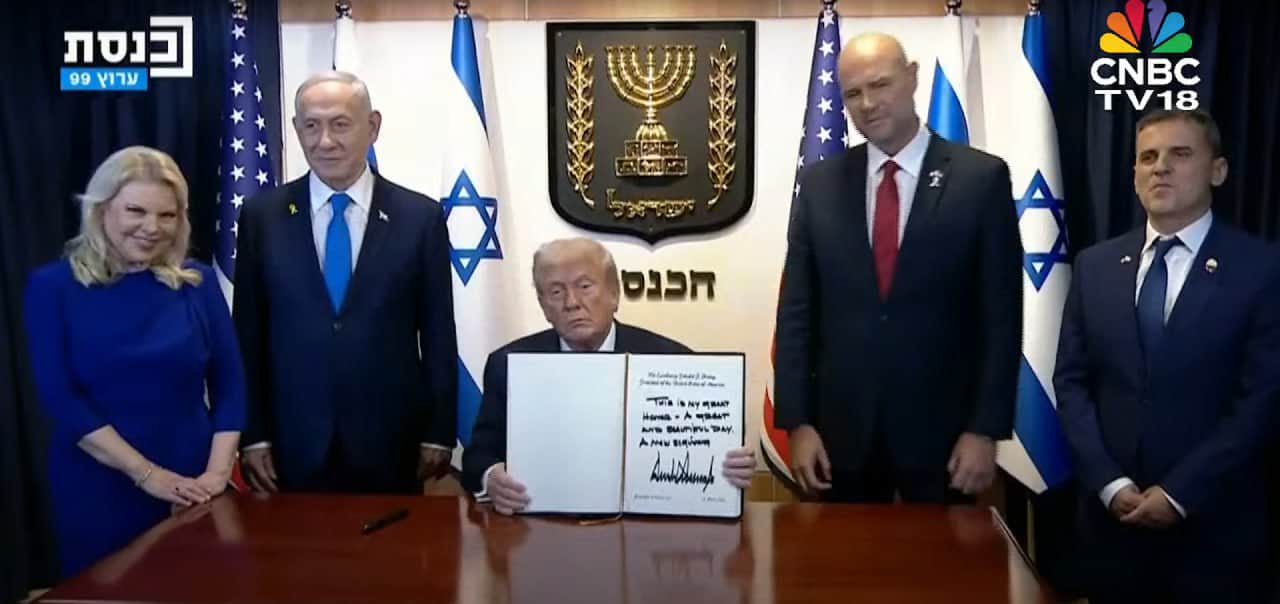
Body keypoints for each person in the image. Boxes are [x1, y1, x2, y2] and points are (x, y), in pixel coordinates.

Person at [773, 32, 1022, 503]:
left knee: (941, 554)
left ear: (912, 78)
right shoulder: (820, 185)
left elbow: (1001, 318)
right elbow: (796, 315)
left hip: (946, 438)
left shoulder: (980, 179)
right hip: (840, 438)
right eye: (852, 93)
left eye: (880, 85)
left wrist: (984, 429)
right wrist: (797, 423)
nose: (867, 104)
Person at [1055, 109, 1280, 602]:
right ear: (1134, 175)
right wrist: (1109, 483)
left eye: (1180, 154)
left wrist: (1180, 493)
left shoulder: (1262, 269)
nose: (1160, 167)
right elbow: (1071, 382)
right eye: (1148, 157)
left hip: (1215, 532)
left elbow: (1262, 400)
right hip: (1112, 529)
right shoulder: (1095, 266)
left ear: (1217, 170)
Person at [23, 146, 245, 577]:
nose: (152, 227)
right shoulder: (53, 287)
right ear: (101, 209)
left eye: (167, 215)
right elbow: (59, 397)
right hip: (99, 482)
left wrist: (216, 475)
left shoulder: (198, 283)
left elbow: (230, 384)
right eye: (136, 211)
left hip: (195, 480)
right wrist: (147, 475)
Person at [234, 71, 458, 493]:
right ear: (297, 129)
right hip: (291, 443)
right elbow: (248, 334)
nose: (325, 141)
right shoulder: (262, 216)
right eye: (311, 126)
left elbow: (438, 333)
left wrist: (439, 431)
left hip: (392, 442)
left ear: (372, 126)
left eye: (340, 124)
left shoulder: (419, 217)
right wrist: (253, 433)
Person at [462, 238, 756, 514]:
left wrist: (730, 466)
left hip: (646, 533)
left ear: (614, 294)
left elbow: (706, 452)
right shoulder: (508, 364)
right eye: (556, 291)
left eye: (584, 286)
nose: (572, 302)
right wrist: (491, 477)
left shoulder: (674, 361)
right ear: (543, 305)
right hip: (542, 529)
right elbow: (477, 457)